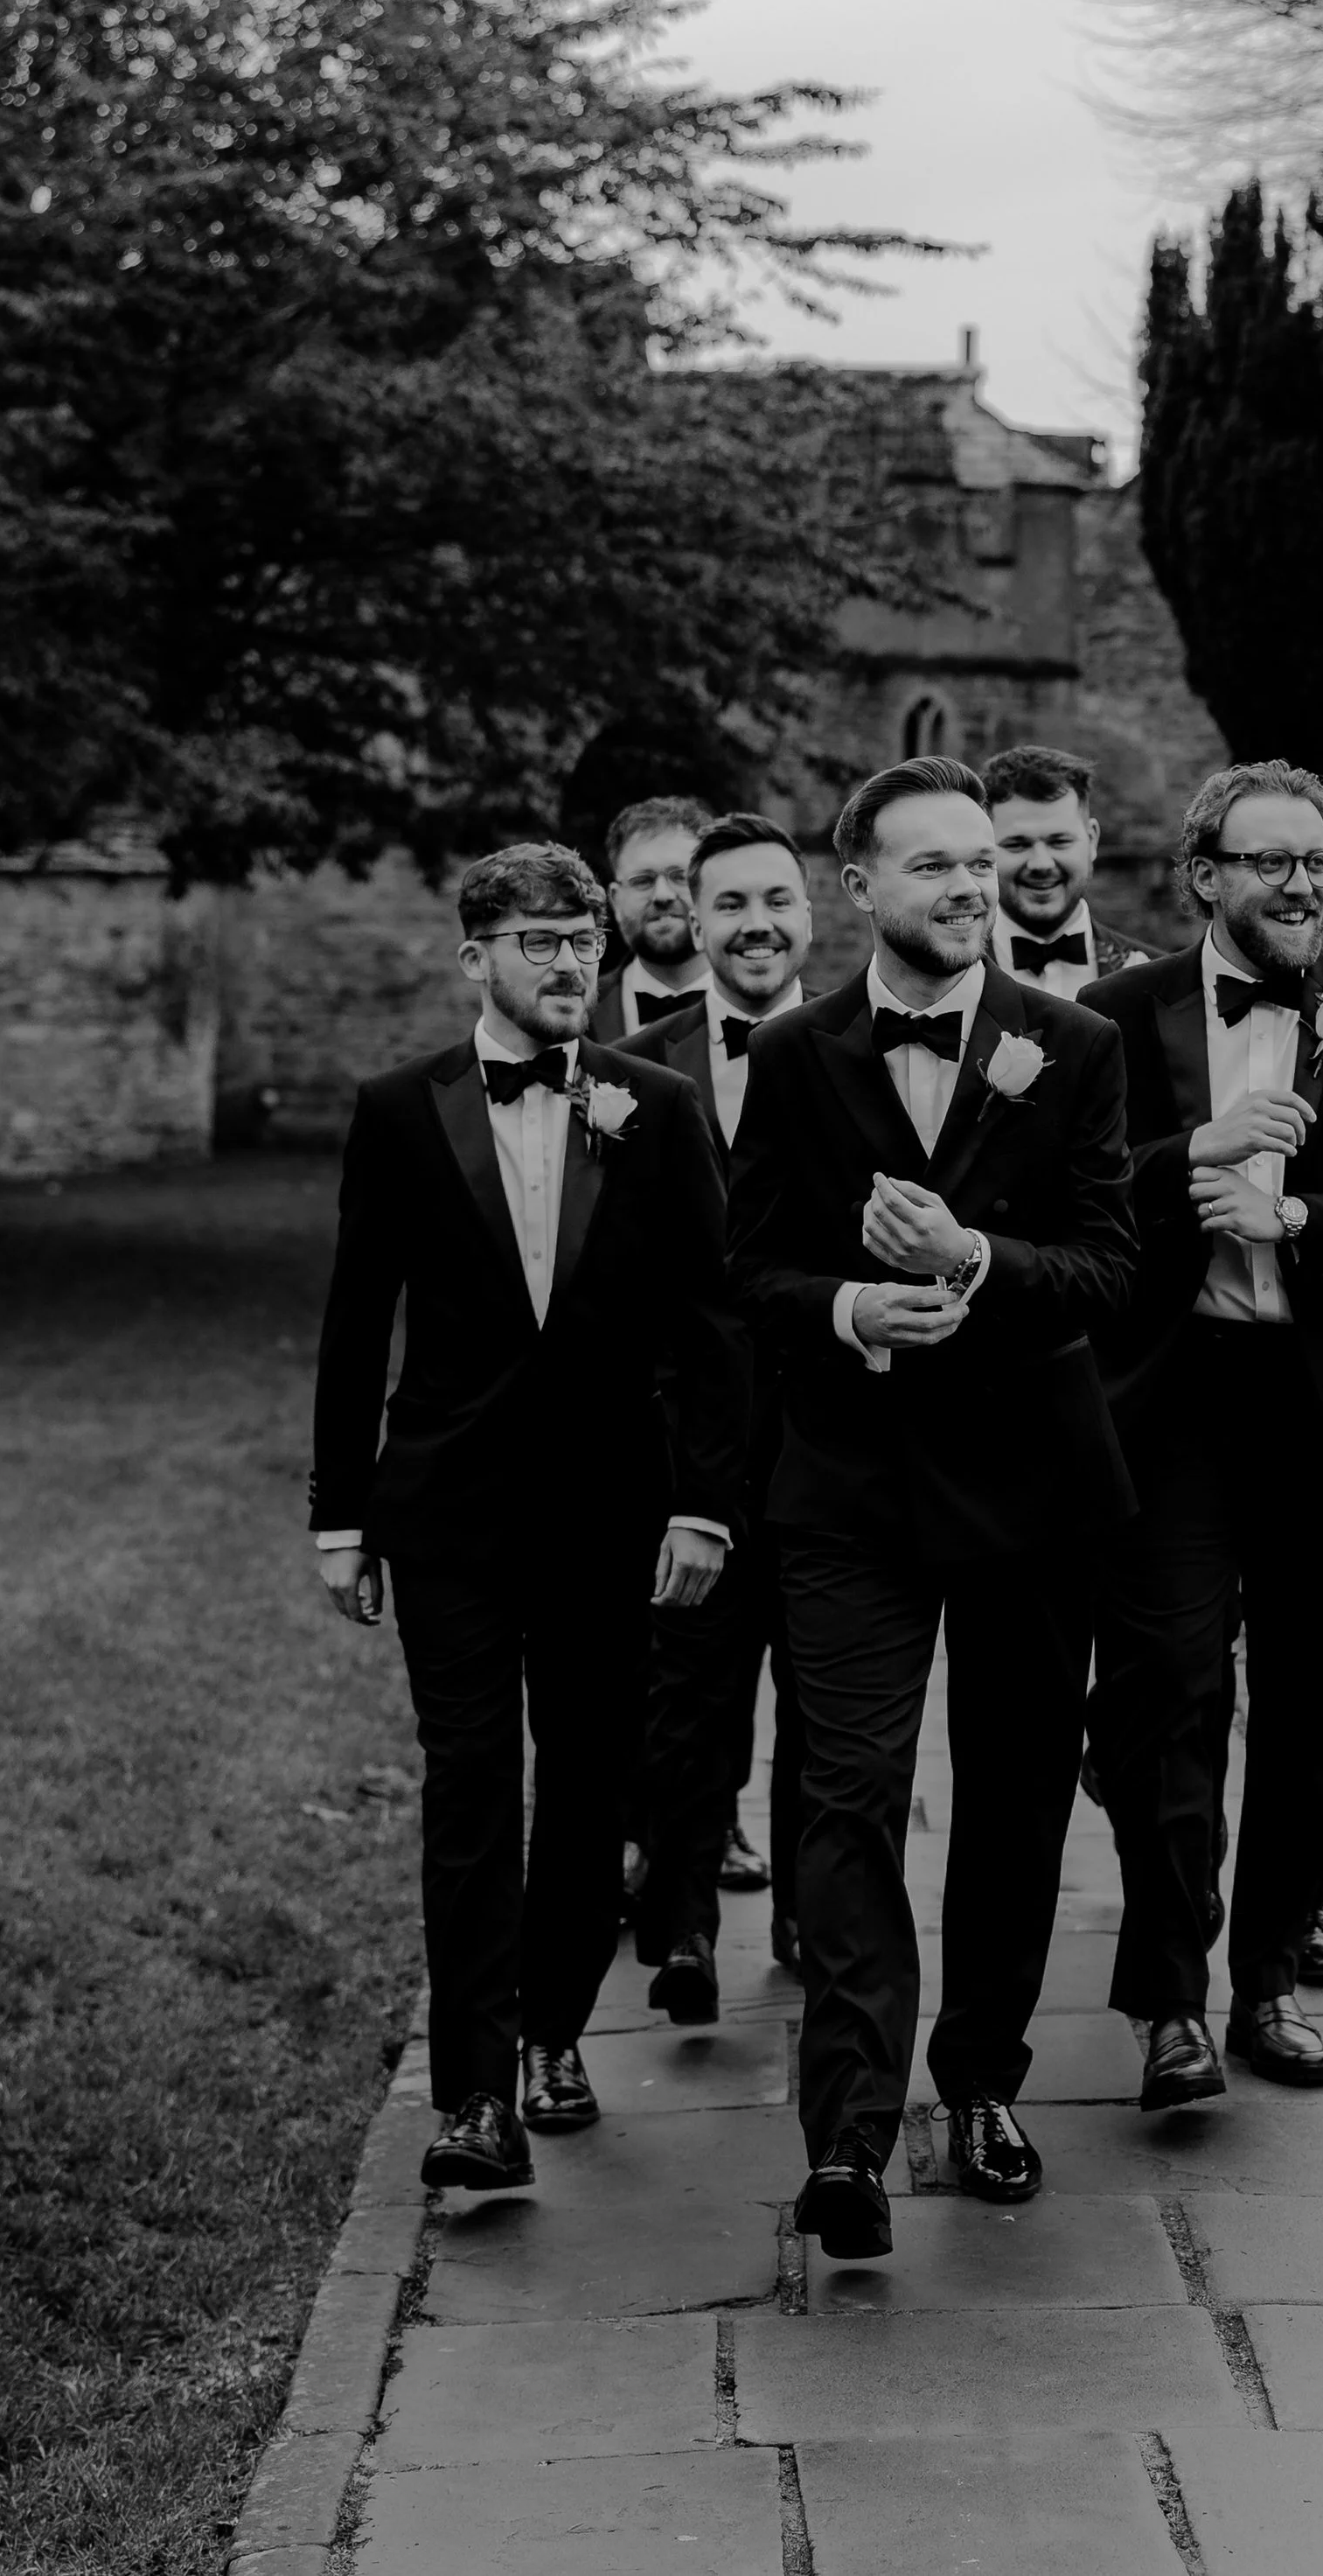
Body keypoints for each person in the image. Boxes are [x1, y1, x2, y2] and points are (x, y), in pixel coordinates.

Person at [726, 755, 1138, 2262]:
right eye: (935, 866)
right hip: (847, 1488)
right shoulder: (793, 1055)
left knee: (1019, 1801)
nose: (971, 886)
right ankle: (845, 2134)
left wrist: (973, 1258)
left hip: (1033, 1481)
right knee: (843, 1797)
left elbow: (1109, 1266)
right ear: (864, 887)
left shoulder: (1072, 1047)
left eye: (982, 862)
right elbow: (747, 1271)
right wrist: (846, 1308)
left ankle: (979, 2086)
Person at [309, 841, 747, 2192]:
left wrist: (705, 1504)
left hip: (612, 1509)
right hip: (445, 1506)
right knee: (470, 1789)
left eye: (586, 941)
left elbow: (713, 1320)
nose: (573, 964)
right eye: (543, 941)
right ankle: (474, 2094)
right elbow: (352, 1315)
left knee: (586, 1790)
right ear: (477, 958)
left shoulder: (656, 1104)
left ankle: (555, 2030)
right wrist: (341, 1515)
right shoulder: (398, 1108)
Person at [1083, 760, 1323, 2114]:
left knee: (1309, 1695)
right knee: (1167, 1689)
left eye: (1317, 861)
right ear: (1205, 875)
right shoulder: (1117, 1014)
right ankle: (1166, 1999)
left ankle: (1263, 1986)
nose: (1301, 884)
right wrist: (1198, 1156)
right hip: (1172, 1396)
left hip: (1319, 1404)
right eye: (1270, 861)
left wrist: (1300, 1220)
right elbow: (1076, 1201)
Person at [622, 810, 816, 2013]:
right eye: (729, 905)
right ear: (696, 921)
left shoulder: (860, 1048)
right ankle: (682, 1920)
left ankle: (805, 1908)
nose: (754, 926)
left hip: (824, 1434)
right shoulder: (636, 1067)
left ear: (810, 916)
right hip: (682, 1441)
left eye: (775, 903)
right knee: (686, 1693)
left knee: (822, 1688)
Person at [983, 743, 1151, 996]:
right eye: (1017, 844)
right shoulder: (945, 974)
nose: (1041, 864)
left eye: (1059, 842)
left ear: (1092, 840)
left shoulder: (1156, 978)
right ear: (984, 850)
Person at [599, 794, 715, 1035]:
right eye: (643, 881)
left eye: (680, 876)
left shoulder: (777, 1010)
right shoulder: (579, 1011)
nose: (663, 895)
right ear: (615, 899)